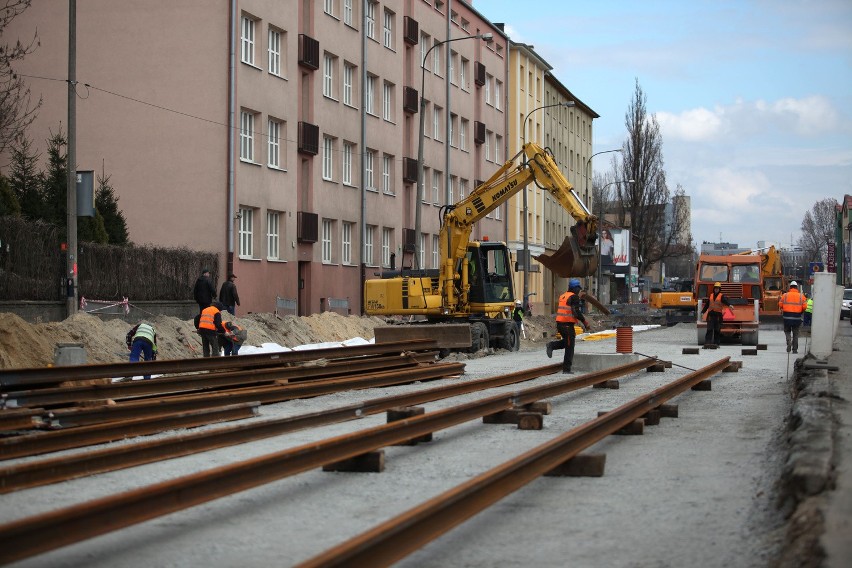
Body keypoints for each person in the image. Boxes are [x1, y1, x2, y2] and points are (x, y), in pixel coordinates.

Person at [545, 278, 591, 374]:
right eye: (578, 289)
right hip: (566, 325)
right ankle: (566, 369)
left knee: (568, 343)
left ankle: (552, 345)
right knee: (570, 346)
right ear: (574, 288)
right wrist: (585, 322)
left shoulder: (563, 296)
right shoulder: (574, 297)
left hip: (560, 324)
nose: (579, 291)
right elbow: (576, 312)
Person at [701, 282, 734, 346]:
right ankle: (707, 343)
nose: (716, 289)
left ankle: (716, 344)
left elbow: (725, 301)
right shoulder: (711, 295)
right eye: (715, 288)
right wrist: (702, 312)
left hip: (718, 316)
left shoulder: (722, 296)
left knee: (717, 330)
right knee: (709, 329)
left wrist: (729, 305)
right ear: (714, 289)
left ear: (719, 289)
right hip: (710, 315)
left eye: (717, 288)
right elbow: (707, 305)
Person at [779, 281, 806, 353]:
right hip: (797, 317)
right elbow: (804, 307)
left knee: (787, 331)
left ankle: (789, 342)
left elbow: (780, 305)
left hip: (787, 317)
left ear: (790, 287)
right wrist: (800, 311)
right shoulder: (801, 296)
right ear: (796, 287)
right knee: (796, 333)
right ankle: (794, 350)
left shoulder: (785, 295)